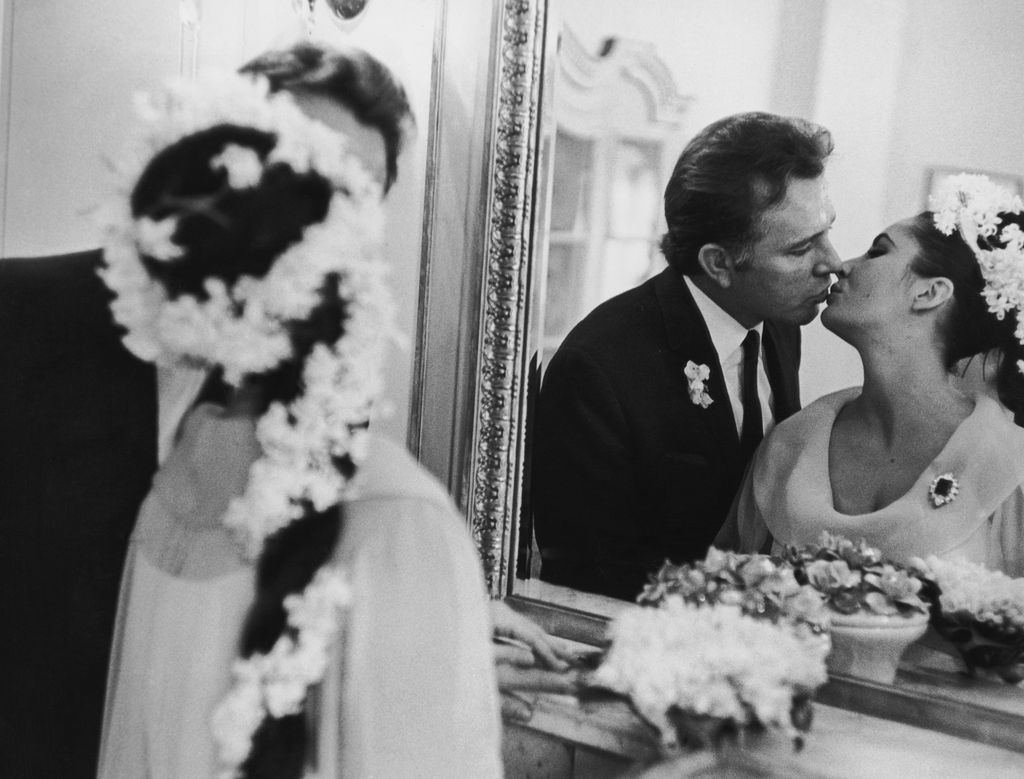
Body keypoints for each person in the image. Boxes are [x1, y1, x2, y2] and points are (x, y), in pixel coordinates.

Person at [0, 43, 572, 778]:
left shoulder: (330, 391)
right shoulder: (18, 319)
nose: (303, 223)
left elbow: (281, 563)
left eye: (346, 198)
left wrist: (405, 623)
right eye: (289, 174)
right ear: (209, 157)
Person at [531, 112, 842, 601]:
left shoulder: (781, 322)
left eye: (826, 231)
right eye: (802, 247)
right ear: (718, 263)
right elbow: (589, 575)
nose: (833, 262)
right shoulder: (598, 369)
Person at [717, 174, 1024, 577]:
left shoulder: (1011, 465)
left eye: (877, 252)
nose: (841, 266)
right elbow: (722, 588)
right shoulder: (789, 445)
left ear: (929, 293)